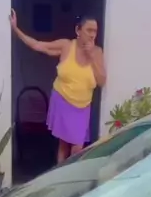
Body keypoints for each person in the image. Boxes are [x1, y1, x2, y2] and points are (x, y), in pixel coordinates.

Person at [10, 9, 106, 163]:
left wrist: (92, 57)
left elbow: (101, 81)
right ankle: (60, 171)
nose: (92, 34)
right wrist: (16, 29)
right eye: (89, 30)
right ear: (78, 30)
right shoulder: (66, 46)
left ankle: (66, 172)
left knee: (77, 147)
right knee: (64, 144)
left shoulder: (97, 52)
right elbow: (38, 45)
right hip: (63, 99)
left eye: (95, 31)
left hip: (83, 106)